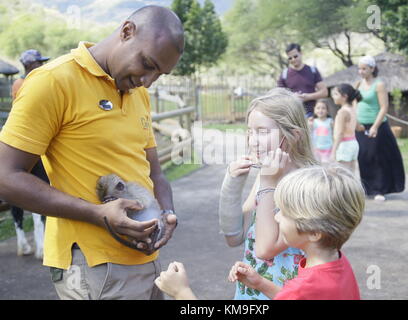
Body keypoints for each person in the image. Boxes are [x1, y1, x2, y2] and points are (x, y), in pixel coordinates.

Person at [0, 5, 183, 300]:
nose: (148, 80)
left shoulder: (140, 94)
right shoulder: (53, 81)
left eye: (160, 73)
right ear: (126, 32)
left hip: (147, 262)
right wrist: (97, 214)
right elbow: (5, 176)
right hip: (95, 269)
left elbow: (155, 172)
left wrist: (167, 212)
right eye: (147, 64)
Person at [155, 165, 365, 300]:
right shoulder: (337, 264)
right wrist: (261, 283)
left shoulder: (305, 287)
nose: (276, 217)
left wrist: (181, 292)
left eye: (285, 212)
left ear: (314, 232)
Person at [218, 88, 318, 300]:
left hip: (284, 294)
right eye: (250, 131)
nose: (252, 141)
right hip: (250, 293)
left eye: (262, 132)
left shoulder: (308, 188)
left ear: (293, 135)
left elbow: (266, 250)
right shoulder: (265, 176)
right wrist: (232, 184)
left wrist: (267, 181)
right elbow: (234, 236)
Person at [9, 49, 51, 259]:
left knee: (18, 193)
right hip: (34, 140)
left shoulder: (17, 84)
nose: (42, 65)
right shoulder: (33, 83)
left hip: (21, 138)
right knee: (40, 188)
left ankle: (24, 242)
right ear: (30, 65)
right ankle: (40, 244)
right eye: (39, 62)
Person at [355, 55, 405, 201]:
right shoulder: (358, 84)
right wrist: (355, 121)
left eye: (364, 68)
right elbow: (353, 102)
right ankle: (367, 188)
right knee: (364, 157)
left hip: (377, 125)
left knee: (377, 158)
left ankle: (379, 190)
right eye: (359, 68)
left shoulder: (379, 84)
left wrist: (375, 127)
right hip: (360, 126)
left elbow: (384, 107)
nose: (361, 71)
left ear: (372, 68)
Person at [277, 43, 328, 119]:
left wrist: (307, 97)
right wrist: (293, 98)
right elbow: (278, 96)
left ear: (301, 53)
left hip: (312, 115)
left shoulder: (312, 71)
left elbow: (324, 92)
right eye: (290, 58)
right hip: (292, 116)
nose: (293, 59)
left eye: (295, 56)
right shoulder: (284, 74)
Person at [330, 84, 361, 173]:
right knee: (351, 173)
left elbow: (340, 134)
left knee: (342, 174)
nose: (333, 96)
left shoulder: (342, 112)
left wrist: (333, 152)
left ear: (344, 96)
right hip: (353, 143)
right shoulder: (352, 109)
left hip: (344, 145)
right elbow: (358, 127)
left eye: (336, 94)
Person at [311, 99, 333, 163]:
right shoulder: (313, 122)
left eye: (323, 108)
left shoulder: (330, 121)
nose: (320, 110)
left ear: (327, 111)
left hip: (328, 149)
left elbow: (334, 134)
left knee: (327, 166)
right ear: (314, 109)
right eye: (318, 108)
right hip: (316, 149)